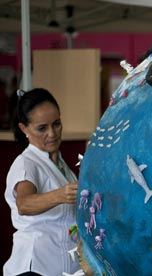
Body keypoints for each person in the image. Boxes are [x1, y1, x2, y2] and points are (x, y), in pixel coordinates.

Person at [3, 88, 81, 276]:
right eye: (42, 128)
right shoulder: (26, 164)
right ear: (24, 129)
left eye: (56, 124)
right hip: (34, 267)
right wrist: (61, 195)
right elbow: (24, 204)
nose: (52, 133)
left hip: (63, 268)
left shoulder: (62, 166)